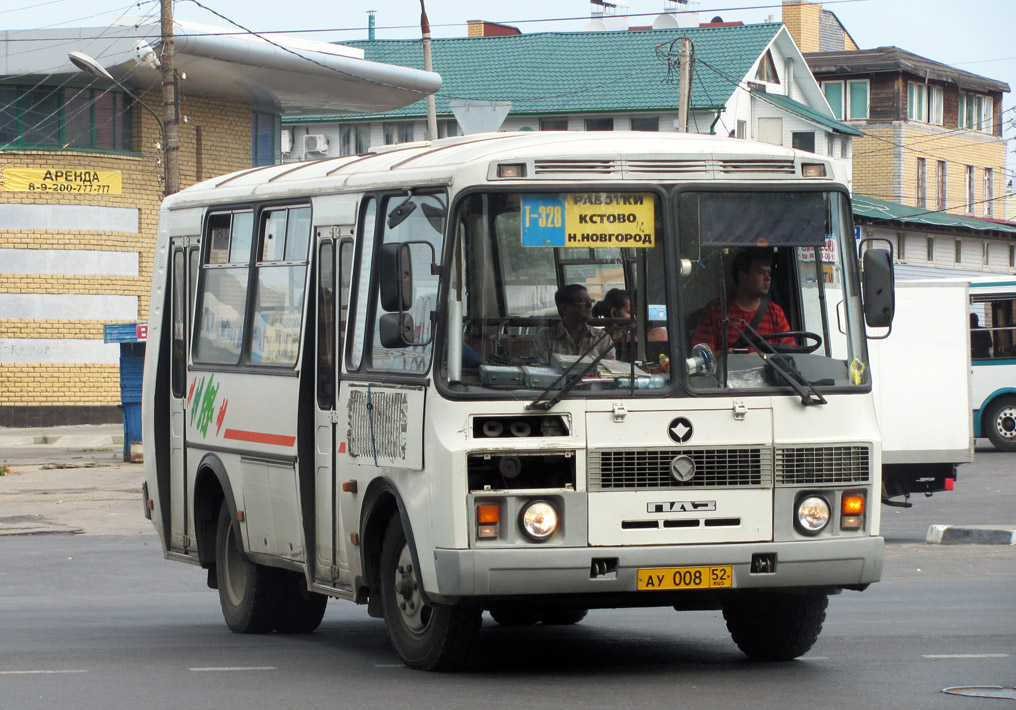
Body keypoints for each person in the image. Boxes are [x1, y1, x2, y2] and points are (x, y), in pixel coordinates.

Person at [691, 247, 794, 353]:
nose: (768, 277)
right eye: (760, 272)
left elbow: (790, 354)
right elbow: (702, 358)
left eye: (769, 272)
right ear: (742, 277)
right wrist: (734, 354)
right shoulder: (716, 311)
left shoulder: (776, 313)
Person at [534, 284, 616, 363]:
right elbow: (541, 371)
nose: (589, 305)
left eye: (590, 301)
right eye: (582, 302)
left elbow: (609, 372)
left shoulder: (601, 338)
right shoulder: (545, 338)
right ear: (564, 308)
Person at [593, 288, 633, 360]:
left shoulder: (630, 340)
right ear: (614, 312)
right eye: (629, 313)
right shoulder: (596, 340)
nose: (634, 317)